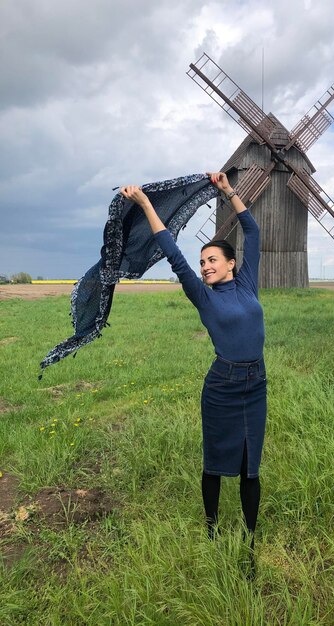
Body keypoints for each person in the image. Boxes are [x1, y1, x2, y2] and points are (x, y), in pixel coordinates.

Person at [120, 172, 266, 566]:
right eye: (202, 262)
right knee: (216, 461)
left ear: (231, 264)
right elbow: (171, 249)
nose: (204, 266)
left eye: (212, 260)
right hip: (222, 386)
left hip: (257, 385)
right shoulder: (202, 294)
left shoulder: (248, 283)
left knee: (250, 467)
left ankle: (250, 545)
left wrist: (228, 191)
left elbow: (252, 230)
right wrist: (147, 205)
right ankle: (212, 530)